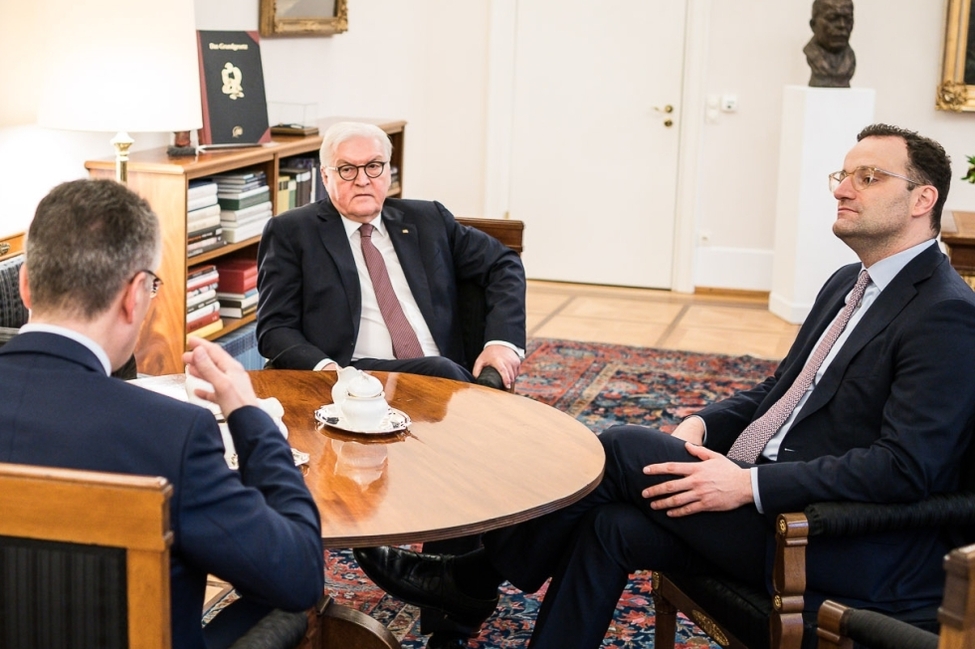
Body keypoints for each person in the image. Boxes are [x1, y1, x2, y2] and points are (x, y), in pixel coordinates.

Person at [353, 123, 975, 648]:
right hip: (772, 504)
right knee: (610, 528)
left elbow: (907, 468)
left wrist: (749, 485)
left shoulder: (944, 313)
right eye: (841, 174)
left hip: (831, 538)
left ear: (922, 199)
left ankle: (471, 578)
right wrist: (705, 423)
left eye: (868, 177)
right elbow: (783, 392)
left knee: (621, 445)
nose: (842, 188)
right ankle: (485, 592)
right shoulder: (849, 281)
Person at [0, 179, 324, 649]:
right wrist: (248, 413)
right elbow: (298, 574)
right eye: (154, 286)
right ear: (135, 296)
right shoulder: (172, 434)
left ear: (26, 284)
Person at [256, 121, 526, 389]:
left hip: (446, 371)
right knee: (440, 370)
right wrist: (328, 370)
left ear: (388, 171)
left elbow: (502, 263)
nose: (362, 180)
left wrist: (501, 343)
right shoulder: (292, 232)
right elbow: (275, 329)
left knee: (440, 368)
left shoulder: (427, 220)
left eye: (373, 166)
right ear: (326, 177)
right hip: (354, 377)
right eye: (347, 169)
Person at [804, 0, 856, 87]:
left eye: (847, 19)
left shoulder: (849, 59)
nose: (842, 25)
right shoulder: (812, 53)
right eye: (832, 18)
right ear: (813, 25)